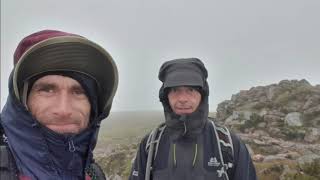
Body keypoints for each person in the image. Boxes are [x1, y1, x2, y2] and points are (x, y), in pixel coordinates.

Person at [0, 30, 118, 180]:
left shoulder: (94, 174)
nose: (64, 110)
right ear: (21, 101)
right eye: (47, 89)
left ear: (94, 107)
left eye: (78, 91)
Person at [129, 58, 257, 180]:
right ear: (165, 96)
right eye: (175, 90)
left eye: (190, 89)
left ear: (202, 94)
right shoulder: (151, 144)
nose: (183, 99)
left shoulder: (227, 142)